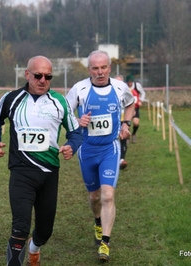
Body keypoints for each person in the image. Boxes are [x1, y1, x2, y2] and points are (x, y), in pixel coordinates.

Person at [0, 55, 82, 266]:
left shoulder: (60, 102)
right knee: (20, 226)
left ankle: (35, 247)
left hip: (49, 174)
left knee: (45, 231)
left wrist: (71, 146)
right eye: (38, 75)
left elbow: (76, 132)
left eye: (48, 77)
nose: (42, 81)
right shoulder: (12, 99)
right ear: (27, 74)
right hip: (21, 172)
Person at [66, 50, 135, 262]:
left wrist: (125, 123)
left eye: (103, 67)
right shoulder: (80, 89)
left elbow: (130, 104)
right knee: (94, 197)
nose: (100, 72)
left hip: (110, 149)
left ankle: (105, 243)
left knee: (107, 196)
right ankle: (97, 221)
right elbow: (65, 113)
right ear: (89, 70)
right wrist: (77, 122)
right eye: (95, 68)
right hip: (87, 149)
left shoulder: (119, 87)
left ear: (109, 68)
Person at [125, 74, 146, 144]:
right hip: (127, 108)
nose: (129, 84)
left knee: (136, 123)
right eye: (128, 82)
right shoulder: (124, 87)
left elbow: (143, 93)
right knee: (127, 123)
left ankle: (134, 134)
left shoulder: (137, 86)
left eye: (131, 82)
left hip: (136, 107)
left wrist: (141, 101)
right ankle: (127, 137)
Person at [114, 75, 129, 170]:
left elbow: (130, 104)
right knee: (114, 140)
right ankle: (113, 159)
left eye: (120, 82)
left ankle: (122, 159)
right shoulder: (109, 92)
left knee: (123, 138)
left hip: (123, 119)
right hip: (113, 120)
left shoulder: (126, 92)